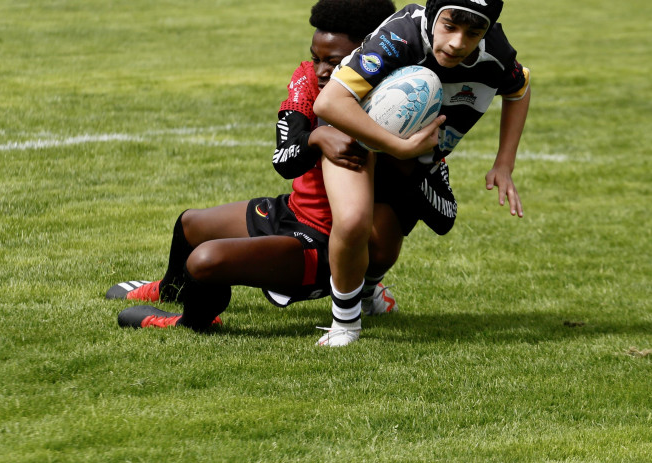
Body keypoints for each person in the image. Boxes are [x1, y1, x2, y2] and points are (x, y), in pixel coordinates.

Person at [107, 0, 455, 342]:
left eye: (333, 62)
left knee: (205, 260)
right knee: (190, 224)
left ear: (371, 57)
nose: (319, 70)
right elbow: (284, 160)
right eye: (317, 57)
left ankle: (193, 321)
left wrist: (411, 160)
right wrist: (317, 136)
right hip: (291, 211)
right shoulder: (309, 79)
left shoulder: (402, 107)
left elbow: (445, 216)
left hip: (323, 246)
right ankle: (171, 289)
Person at [312, 0, 531, 345]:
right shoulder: (401, 36)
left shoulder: (496, 52)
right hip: (351, 126)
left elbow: (519, 88)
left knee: (383, 249)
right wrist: (397, 147)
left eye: (473, 33)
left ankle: (369, 291)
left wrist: (505, 163)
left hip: (414, 150)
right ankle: (345, 324)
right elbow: (328, 103)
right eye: (450, 27)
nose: (459, 42)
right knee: (353, 220)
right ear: (431, 16)